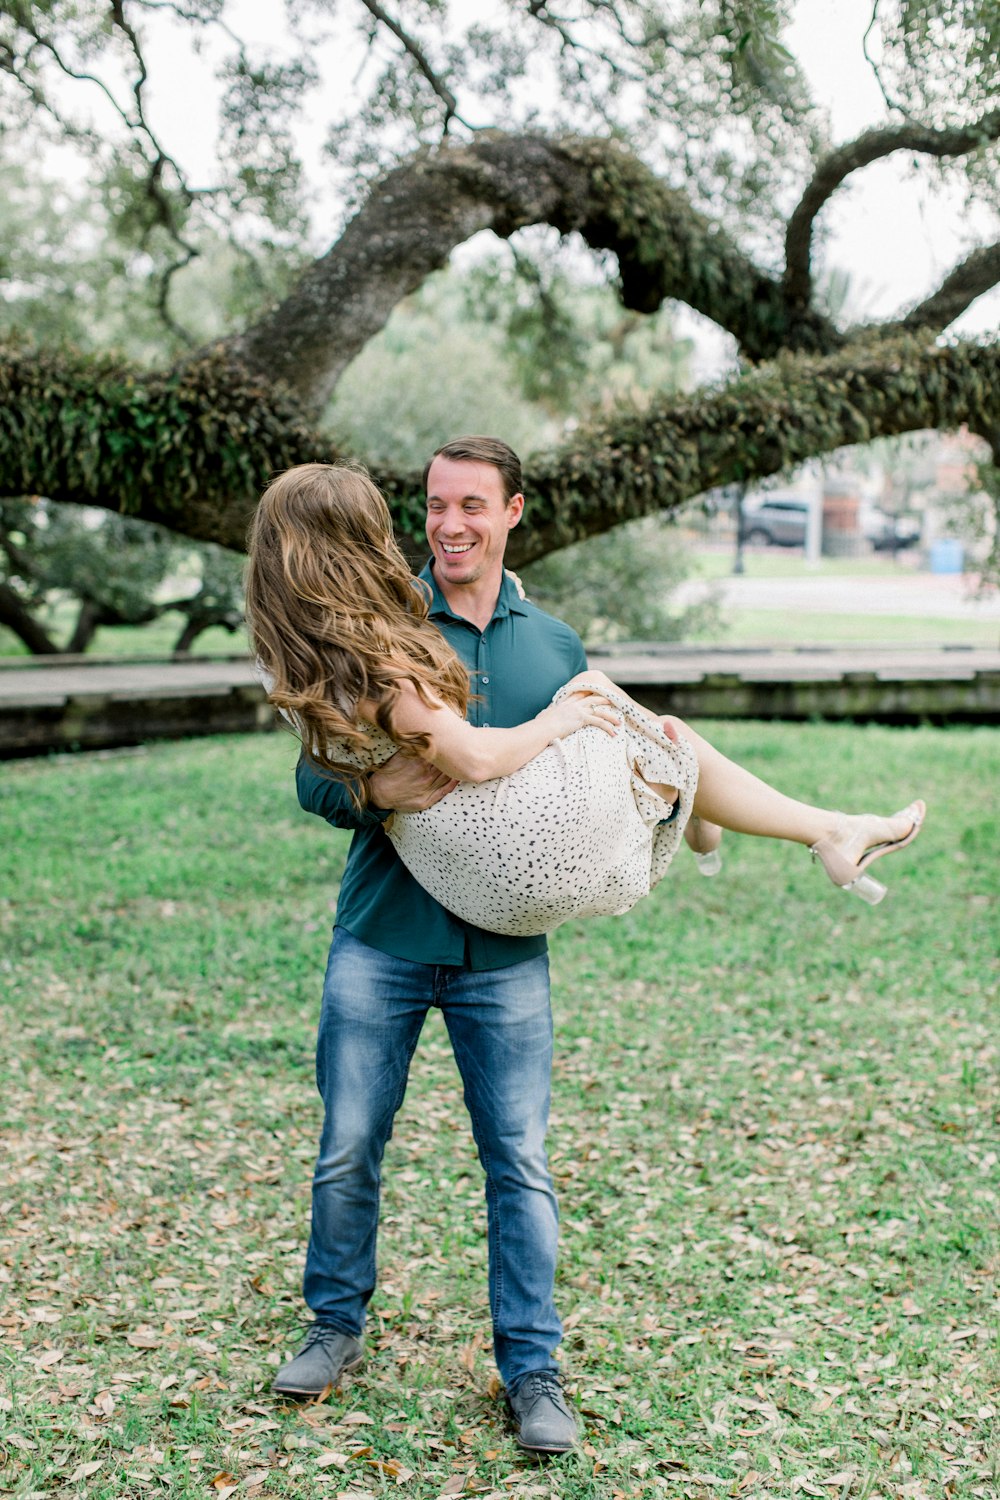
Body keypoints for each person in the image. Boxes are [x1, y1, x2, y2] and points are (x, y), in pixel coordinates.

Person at [246, 440, 922, 1451]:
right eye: (434, 506)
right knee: (348, 1144)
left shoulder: (550, 645)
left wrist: (618, 762)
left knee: (518, 1161)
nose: (450, 524)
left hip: (505, 955)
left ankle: (531, 1369)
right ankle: (333, 1325)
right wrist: (365, 790)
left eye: (472, 505)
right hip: (383, 936)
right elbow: (312, 774)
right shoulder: (379, 626)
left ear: (512, 512)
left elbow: (570, 797)